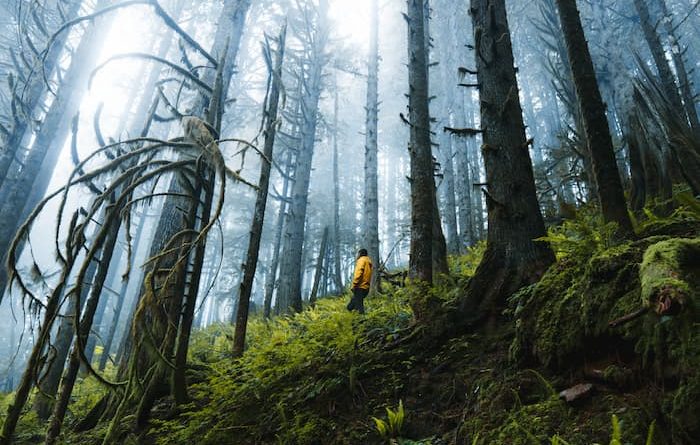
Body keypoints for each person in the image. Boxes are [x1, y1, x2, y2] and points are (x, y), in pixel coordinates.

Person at [347, 248, 372, 314]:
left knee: (359, 308)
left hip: (359, 287)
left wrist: (354, 285)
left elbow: (359, 273)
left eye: (357, 253)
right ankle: (354, 319)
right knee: (350, 306)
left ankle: (361, 321)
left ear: (360, 254)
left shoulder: (361, 260)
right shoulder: (368, 262)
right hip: (366, 287)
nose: (357, 255)